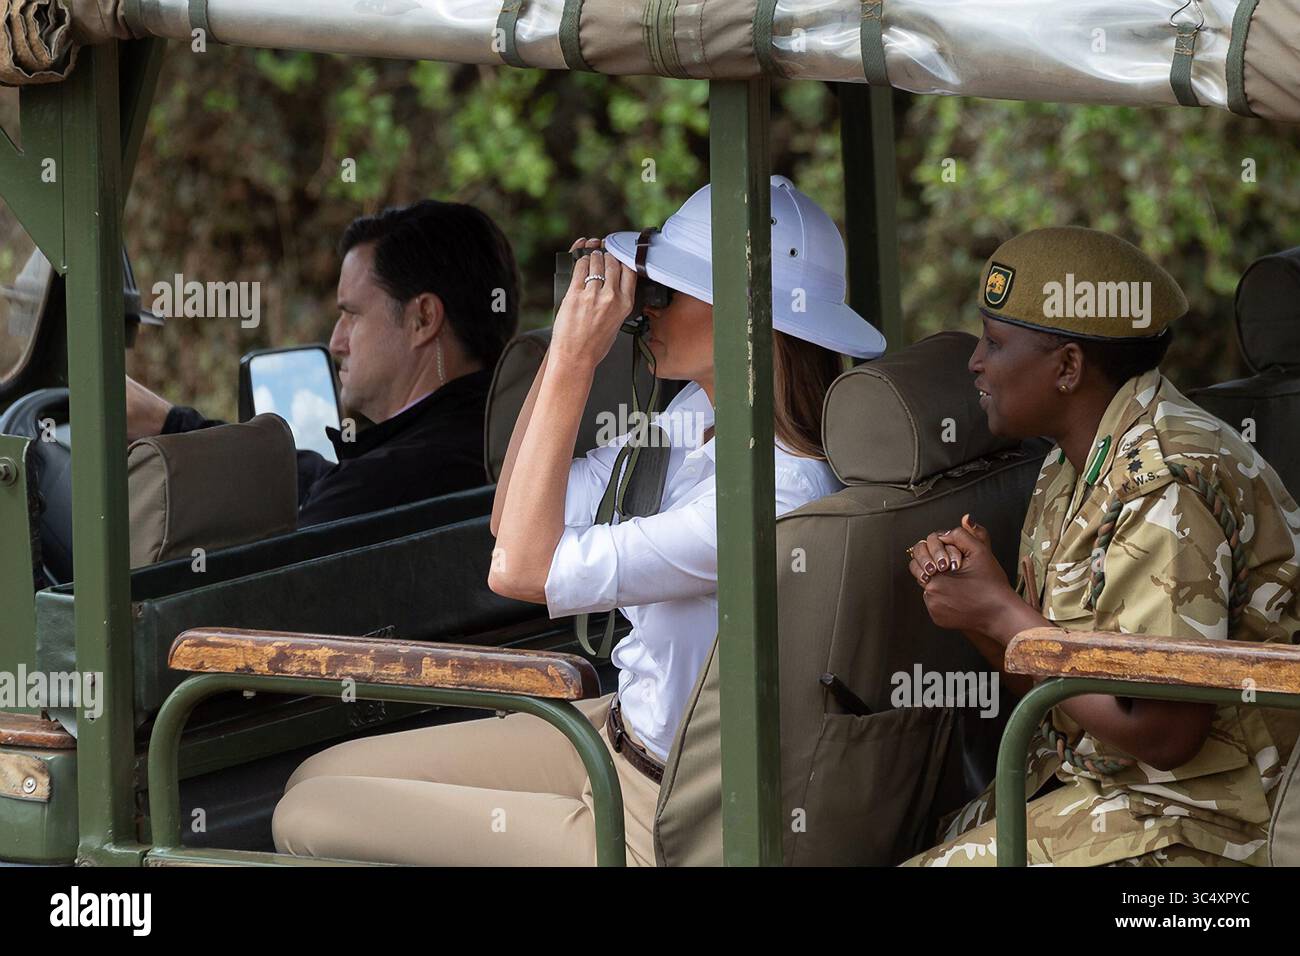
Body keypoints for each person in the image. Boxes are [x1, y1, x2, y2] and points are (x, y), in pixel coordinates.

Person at [270, 176, 887, 865]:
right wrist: (563, 345)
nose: (645, 305)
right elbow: (512, 515)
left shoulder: (771, 494)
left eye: (669, 288)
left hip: (663, 815)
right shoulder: (699, 416)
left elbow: (517, 570)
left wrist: (573, 357)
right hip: (619, 735)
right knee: (315, 774)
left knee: (308, 815)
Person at [903, 226, 1300, 867]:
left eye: (995, 343)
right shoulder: (1074, 461)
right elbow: (1056, 683)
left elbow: (1164, 731)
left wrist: (999, 611)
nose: (975, 362)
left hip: (1202, 819)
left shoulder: (1163, 482)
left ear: (1067, 368)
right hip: (1112, 784)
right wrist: (980, 605)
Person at [124, 200, 519, 526]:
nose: (335, 342)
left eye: (352, 315)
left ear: (423, 319)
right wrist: (169, 422)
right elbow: (320, 477)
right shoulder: (509, 445)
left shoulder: (377, 489)